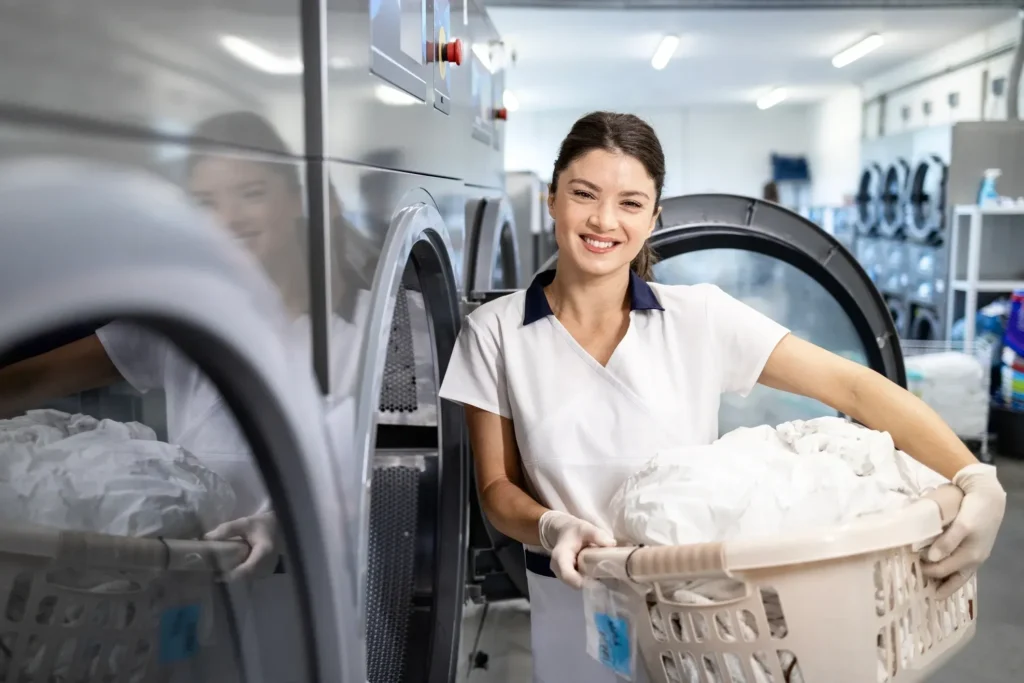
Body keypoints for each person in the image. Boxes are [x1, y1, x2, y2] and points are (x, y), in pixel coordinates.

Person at [437, 111, 1007, 682]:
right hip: (570, 601)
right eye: (584, 194)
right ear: (552, 198)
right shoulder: (494, 332)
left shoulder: (697, 316)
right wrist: (553, 526)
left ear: (653, 218)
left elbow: (853, 386)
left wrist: (975, 476)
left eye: (631, 203)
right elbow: (496, 487)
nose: (604, 220)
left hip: (696, 611)